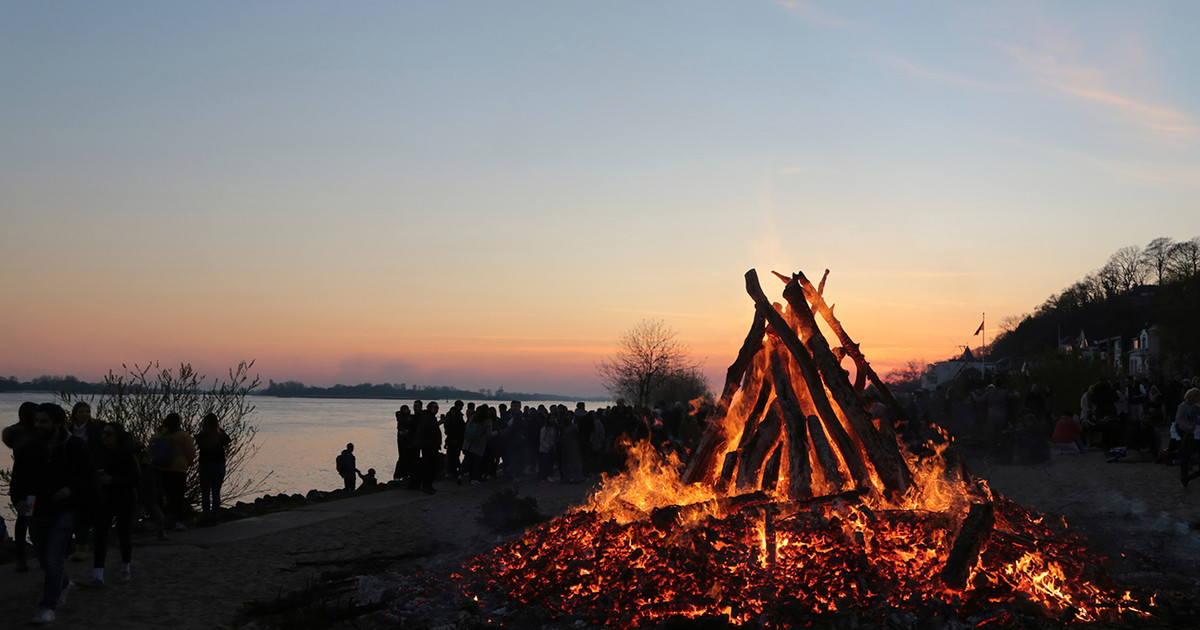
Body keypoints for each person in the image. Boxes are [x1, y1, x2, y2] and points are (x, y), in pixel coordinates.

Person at [10, 403, 95, 624]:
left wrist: (71, 489)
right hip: (37, 510)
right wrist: (18, 500)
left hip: (65, 510)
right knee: (42, 556)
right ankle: (64, 582)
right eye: (37, 421)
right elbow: (18, 478)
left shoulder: (75, 446)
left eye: (44, 421)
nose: (39, 425)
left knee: (54, 556)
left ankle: (47, 606)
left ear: (57, 423)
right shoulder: (28, 448)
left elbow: (87, 476)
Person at [80, 422, 139, 587]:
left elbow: (135, 479)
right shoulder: (99, 452)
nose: (105, 436)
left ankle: (125, 567)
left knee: (123, 534)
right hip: (104, 499)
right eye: (104, 433)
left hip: (124, 499)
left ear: (118, 436)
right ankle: (98, 574)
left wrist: (112, 479)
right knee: (100, 535)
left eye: (109, 434)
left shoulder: (127, 454)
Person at [3, 401, 39, 572]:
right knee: (30, 518)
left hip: (25, 482)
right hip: (32, 483)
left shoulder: (17, 435)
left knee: (24, 518)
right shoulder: (31, 436)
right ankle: (28, 557)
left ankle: (22, 558)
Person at [152, 413, 197, 530]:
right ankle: (178, 522)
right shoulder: (182, 435)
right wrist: (189, 462)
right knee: (177, 496)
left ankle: (160, 521)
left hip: (160, 468)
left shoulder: (159, 433)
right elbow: (191, 452)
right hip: (178, 470)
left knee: (162, 496)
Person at [194, 412, 232, 521]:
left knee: (205, 491)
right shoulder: (221, 436)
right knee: (216, 491)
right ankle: (215, 514)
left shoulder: (200, 436)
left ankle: (206, 514)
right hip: (219, 465)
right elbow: (228, 441)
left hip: (205, 465)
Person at [415, 402, 442, 494]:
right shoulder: (426, 417)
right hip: (428, 446)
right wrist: (439, 423)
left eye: (437, 407)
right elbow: (427, 429)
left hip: (431, 445)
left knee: (432, 466)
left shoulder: (428, 416)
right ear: (430, 408)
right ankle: (427, 486)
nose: (437, 409)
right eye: (435, 407)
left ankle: (428, 485)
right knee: (430, 466)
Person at [1176, 388, 1200, 486]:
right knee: (1186, 454)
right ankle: (1184, 475)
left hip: (1196, 432)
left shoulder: (1195, 406)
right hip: (1188, 433)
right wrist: (1187, 426)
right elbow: (1178, 419)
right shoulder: (1183, 406)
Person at [443, 400, 466, 481]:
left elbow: (447, 428)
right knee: (454, 455)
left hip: (451, 438)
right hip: (455, 439)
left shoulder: (449, 415)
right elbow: (457, 428)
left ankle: (451, 471)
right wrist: (455, 438)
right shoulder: (456, 416)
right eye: (461, 406)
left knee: (451, 455)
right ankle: (453, 471)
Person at [393, 405, 415, 481]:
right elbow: (403, 422)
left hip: (407, 439)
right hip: (403, 440)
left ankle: (406, 474)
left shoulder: (408, 417)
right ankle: (399, 475)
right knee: (403, 457)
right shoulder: (401, 417)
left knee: (408, 457)